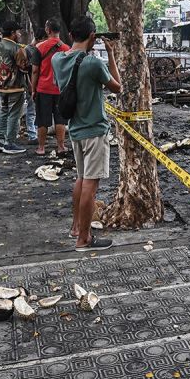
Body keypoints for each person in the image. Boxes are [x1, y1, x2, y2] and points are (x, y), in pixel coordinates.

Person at [52, 16, 120, 251]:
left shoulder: (57, 60)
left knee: (81, 179)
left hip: (75, 129)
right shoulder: (94, 63)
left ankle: (76, 228)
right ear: (93, 37)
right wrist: (110, 54)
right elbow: (117, 87)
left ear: (70, 35)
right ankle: (84, 238)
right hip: (94, 130)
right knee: (91, 185)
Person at [31, 18, 70, 155]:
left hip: (43, 88)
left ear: (48, 30)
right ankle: (61, 146)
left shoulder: (40, 47)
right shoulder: (66, 49)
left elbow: (35, 70)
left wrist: (33, 88)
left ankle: (41, 148)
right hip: (60, 89)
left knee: (42, 119)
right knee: (60, 119)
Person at [0, 20, 28, 154]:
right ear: (12, 33)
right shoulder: (17, 48)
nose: (19, 34)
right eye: (17, 32)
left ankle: (0, 141)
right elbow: (24, 67)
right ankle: (9, 143)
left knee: (3, 112)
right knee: (13, 114)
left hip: (1, 86)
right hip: (15, 86)